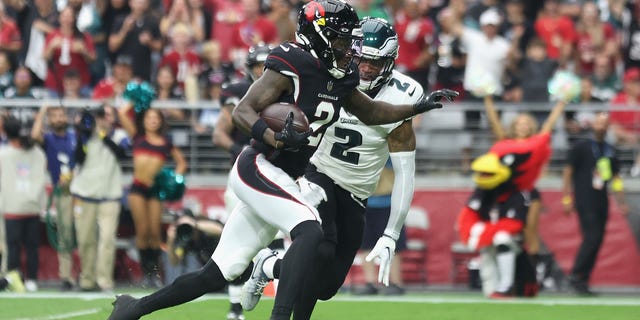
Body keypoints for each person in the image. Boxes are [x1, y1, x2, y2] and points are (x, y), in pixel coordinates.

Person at [107, 1, 457, 320]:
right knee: (309, 230)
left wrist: (417, 107)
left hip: (285, 176)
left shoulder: (341, 75)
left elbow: (372, 110)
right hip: (259, 166)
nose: (348, 48)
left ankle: (133, 309)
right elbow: (243, 111)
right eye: (340, 39)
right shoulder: (293, 60)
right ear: (320, 36)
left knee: (217, 272)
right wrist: (273, 135)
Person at [242, 17, 420, 311]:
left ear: (390, 62)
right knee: (318, 251)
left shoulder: (403, 92)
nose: (365, 68)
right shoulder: (330, 76)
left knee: (326, 286)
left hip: (357, 192)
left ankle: (270, 265)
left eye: (375, 63)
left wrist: (391, 233)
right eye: (362, 59)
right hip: (318, 173)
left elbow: (405, 171)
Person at [456, 96, 570, 298]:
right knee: (501, 236)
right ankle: (510, 280)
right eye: (520, 123)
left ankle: (531, 276)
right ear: (514, 126)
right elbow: (495, 124)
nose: (523, 126)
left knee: (530, 234)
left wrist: (561, 105)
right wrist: (488, 100)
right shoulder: (505, 143)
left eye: (527, 123)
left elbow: (548, 128)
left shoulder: (536, 142)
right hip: (504, 193)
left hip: (527, 193)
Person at [212, 43, 272, 320]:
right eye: (257, 66)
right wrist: (241, 152)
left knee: (283, 237)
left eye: (265, 65)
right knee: (234, 241)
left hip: (275, 172)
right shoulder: (237, 92)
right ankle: (235, 306)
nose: (261, 71)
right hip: (242, 172)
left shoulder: (285, 89)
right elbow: (220, 134)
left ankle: (279, 293)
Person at [117, 97, 187, 289]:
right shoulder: (137, 136)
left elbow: (182, 163)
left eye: (156, 118)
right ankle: (145, 274)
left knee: (155, 233)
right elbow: (122, 113)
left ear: (160, 121)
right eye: (149, 117)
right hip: (137, 189)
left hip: (156, 190)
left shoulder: (166, 142)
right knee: (142, 231)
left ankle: (155, 274)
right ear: (144, 120)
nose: (152, 120)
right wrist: (137, 97)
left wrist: (173, 179)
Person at [562, 112, 628, 296]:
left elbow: (615, 177)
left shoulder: (609, 149)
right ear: (592, 124)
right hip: (584, 198)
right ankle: (576, 275)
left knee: (597, 239)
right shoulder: (581, 147)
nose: (601, 125)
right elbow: (567, 172)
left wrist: (621, 201)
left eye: (604, 122)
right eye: (598, 121)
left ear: (608, 126)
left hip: (602, 200)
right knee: (592, 237)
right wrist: (566, 198)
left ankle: (583, 278)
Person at [69, 106, 129, 292]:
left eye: (107, 115)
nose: (104, 119)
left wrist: (102, 135)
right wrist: (84, 136)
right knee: (85, 240)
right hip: (84, 194)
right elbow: (78, 159)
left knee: (107, 239)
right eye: (100, 115)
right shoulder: (84, 134)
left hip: (110, 195)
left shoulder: (119, 135)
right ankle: (87, 280)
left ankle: (104, 281)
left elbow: (122, 153)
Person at [30, 104, 77, 292]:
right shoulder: (48, 138)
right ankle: (67, 276)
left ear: (67, 117)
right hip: (62, 191)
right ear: (50, 120)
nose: (58, 118)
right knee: (65, 234)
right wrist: (42, 112)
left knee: (85, 235)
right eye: (54, 115)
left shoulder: (76, 136)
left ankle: (93, 277)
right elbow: (34, 136)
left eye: (61, 115)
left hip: (82, 190)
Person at [0, 116, 47, 293]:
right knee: (30, 246)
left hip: (15, 207)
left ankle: (16, 279)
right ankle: (28, 280)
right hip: (28, 206)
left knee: (15, 246)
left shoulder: (4, 153)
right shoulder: (38, 153)